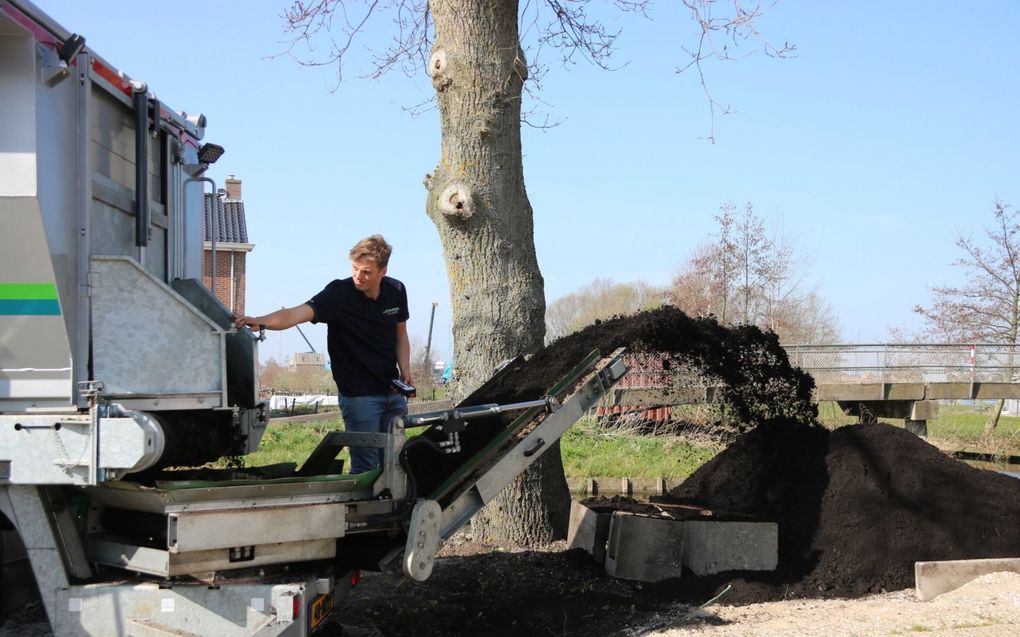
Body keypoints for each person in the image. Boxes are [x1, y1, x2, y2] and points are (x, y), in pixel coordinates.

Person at [235, 234, 412, 473]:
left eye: (366, 272)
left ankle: (395, 510)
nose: (358, 276)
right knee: (366, 465)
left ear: (383, 271)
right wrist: (262, 321)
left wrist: (406, 371)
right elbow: (297, 313)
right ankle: (363, 510)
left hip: (393, 391)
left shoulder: (396, 290)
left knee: (396, 462)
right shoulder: (339, 294)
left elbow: (401, 334)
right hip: (360, 397)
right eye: (355, 269)